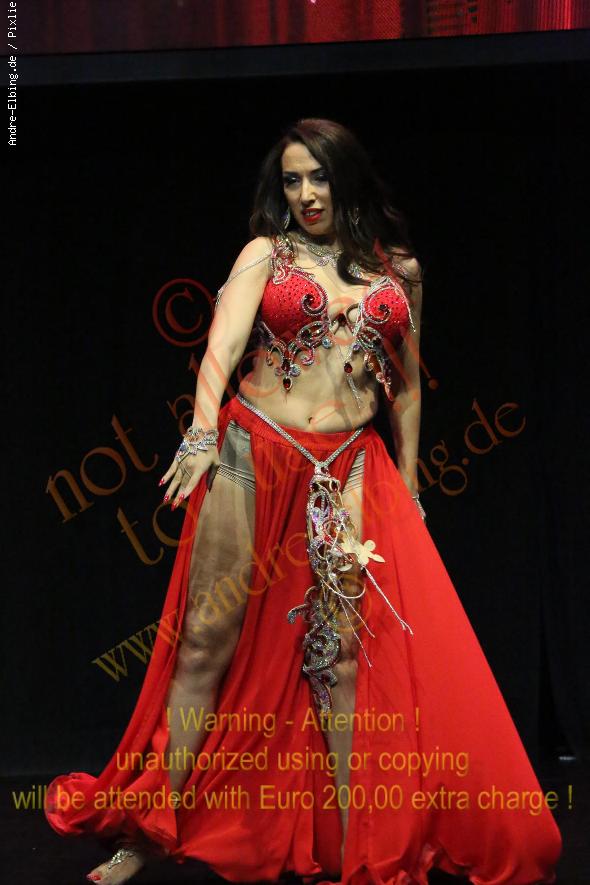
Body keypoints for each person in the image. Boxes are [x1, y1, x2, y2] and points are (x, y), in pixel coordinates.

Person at [45, 118, 562, 885]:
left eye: (317, 176)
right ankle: (148, 830)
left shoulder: (400, 270)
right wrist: (200, 431)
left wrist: (411, 486)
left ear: (345, 175)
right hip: (253, 455)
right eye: (291, 180)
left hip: (349, 465)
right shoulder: (266, 253)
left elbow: (407, 386)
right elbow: (221, 347)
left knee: (342, 658)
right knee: (204, 642)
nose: (306, 193)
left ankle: (359, 850)